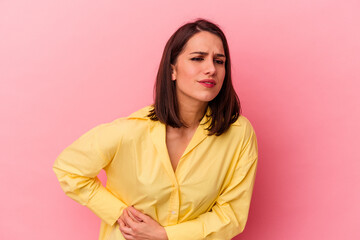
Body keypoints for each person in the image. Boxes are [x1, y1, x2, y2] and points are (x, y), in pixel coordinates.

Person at [53, 18, 258, 240]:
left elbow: (232, 215)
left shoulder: (239, 134)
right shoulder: (130, 131)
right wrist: (119, 214)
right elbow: (68, 168)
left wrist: (166, 235)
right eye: (198, 58)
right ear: (173, 70)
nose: (211, 69)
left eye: (219, 61)